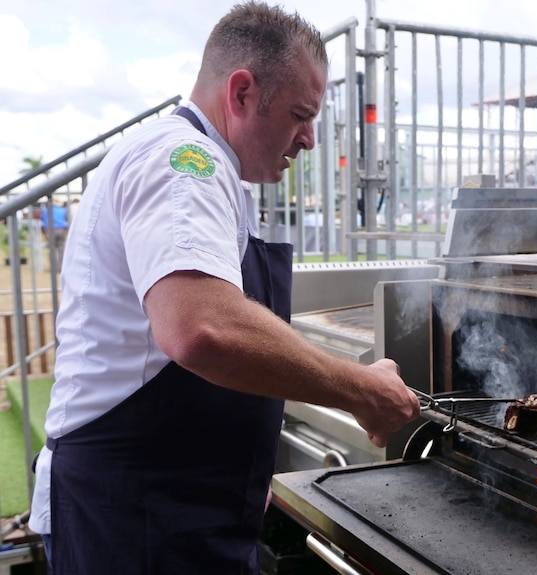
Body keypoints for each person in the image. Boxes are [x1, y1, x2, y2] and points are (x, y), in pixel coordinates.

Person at [28, 3, 421, 574]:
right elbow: (201, 328)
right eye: (300, 114)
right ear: (241, 93)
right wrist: (359, 389)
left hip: (178, 500)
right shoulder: (183, 162)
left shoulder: (216, 176)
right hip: (132, 514)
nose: (309, 138)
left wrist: (240, 470)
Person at [39, 199, 68, 269]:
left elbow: (42, 219)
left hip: (50, 230)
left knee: (52, 249)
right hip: (61, 230)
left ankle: (53, 268)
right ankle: (60, 267)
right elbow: (66, 219)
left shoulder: (46, 210)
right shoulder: (63, 210)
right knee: (61, 249)